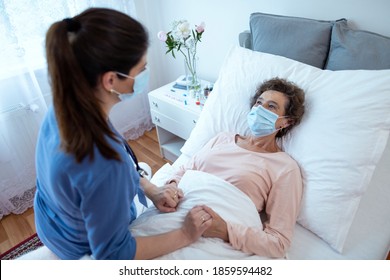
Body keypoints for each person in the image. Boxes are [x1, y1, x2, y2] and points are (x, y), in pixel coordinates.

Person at [34, 8, 212, 260]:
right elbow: (113, 254)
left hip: (51, 223)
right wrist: (185, 233)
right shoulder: (104, 163)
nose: (145, 74)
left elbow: (88, 180)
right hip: (77, 243)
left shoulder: (65, 105)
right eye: (142, 68)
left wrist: (149, 188)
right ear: (110, 80)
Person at [167, 77, 305, 258]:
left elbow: (278, 242)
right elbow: (184, 170)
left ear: (286, 122)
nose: (260, 110)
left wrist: (224, 230)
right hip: (175, 212)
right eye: (258, 103)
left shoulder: (285, 167)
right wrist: (170, 186)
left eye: (271, 107)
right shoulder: (223, 138)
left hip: (214, 234)